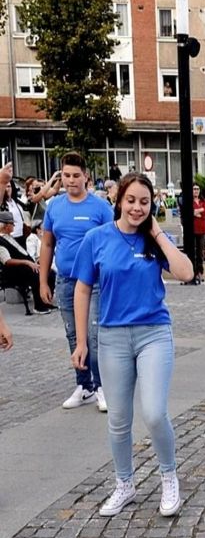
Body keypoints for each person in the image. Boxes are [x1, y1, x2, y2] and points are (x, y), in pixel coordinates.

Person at [71, 173, 194, 517]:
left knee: (154, 413)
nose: (137, 208)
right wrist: (82, 341)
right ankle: (124, 483)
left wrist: (156, 232)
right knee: (119, 419)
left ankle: (169, 476)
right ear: (118, 201)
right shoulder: (96, 239)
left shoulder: (154, 239)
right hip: (111, 337)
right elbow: (82, 289)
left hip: (153, 333)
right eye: (131, 200)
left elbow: (186, 273)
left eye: (144, 201)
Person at [39, 152, 112, 410]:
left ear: (86, 177)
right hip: (65, 280)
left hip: (94, 283)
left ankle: (102, 386)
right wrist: (43, 281)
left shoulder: (101, 207)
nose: (71, 181)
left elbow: (113, 241)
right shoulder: (55, 206)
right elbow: (47, 243)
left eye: (76, 176)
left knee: (93, 336)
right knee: (73, 335)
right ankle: (85, 386)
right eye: (66, 176)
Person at [0, 211, 56, 314]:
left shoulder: (10, 237)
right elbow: (7, 261)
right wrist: (27, 262)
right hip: (14, 271)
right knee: (36, 274)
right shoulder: (1, 241)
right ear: (6, 226)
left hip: (25, 266)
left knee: (50, 273)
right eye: (12, 224)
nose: (14, 226)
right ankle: (39, 306)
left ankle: (46, 300)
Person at [189, 184, 205, 284]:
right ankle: (193, 272)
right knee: (194, 252)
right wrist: (198, 212)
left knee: (201, 252)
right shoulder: (189, 201)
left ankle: (200, 273)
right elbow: (189, 213)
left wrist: (197, 212)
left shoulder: (203, 201)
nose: (196, 191)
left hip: (203, 230)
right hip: (193, 230)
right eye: (194, 189)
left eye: (197, 189)